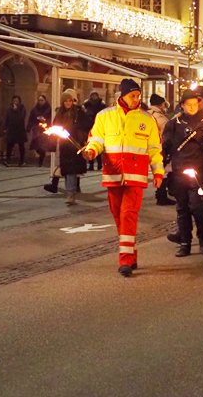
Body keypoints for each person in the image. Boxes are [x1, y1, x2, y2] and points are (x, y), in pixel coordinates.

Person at [82, 79, 164, 277]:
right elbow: (96, 140)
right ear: (123, 95)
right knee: (118, 215)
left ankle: (125, 260)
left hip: (136, 176)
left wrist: (158, 171)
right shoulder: (105, 116)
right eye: (132, 96)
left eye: (138, 96)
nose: (136, 99)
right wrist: (91, 151)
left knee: (128, 214)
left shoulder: (147, 119)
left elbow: (155, 148)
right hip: (113, 175)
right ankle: (130, 251)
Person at [161, 90, 203, 257]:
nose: (192, 107)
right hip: (179, 171)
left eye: (195, 104)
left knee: (198, 206)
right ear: (182, 105)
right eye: (189, 104)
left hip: (199, 170)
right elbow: (166, 146)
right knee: (182, 208)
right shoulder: (173, 124)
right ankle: (185, 243)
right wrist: (160, 165)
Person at [52, 91, 89, 205]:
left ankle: (71, 193)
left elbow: (86, 125)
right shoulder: (60, 113)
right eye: (66, 101)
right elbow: (55, 125)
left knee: (72, 171)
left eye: (70, 101)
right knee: (67, 170)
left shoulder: (78, 112)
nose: (68, 103)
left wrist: (78, 133)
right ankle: (71, 193)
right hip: (65, 145)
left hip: (75, 144)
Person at [149, 94, 175, 206]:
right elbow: (167, 135)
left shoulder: (147, 114)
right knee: (163, 172)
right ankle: (161, 196)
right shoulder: (161, 118)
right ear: (161, 104)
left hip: (150, 148)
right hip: (160, 148)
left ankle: (161, 194)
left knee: (159, 171)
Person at [83, 92, 106, 171]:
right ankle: (92, 164)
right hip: (90, 127)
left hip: (98, 127)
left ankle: (98, 164)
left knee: (98, 145)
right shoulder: (87, 105)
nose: (94, 97)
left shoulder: (101, 105)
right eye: (93, 95)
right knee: (91, 146)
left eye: (95, 95)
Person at [26, 95, 52, 167]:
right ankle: (41, 156)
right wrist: (29, 127)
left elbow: (51, 118)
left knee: (42, 145)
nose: (40, 102)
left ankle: (41, 160)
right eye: (39, 100)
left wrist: (45, 121)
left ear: (45, 101)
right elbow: (31, 118)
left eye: (42, 100)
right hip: (36, 129)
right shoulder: (34, 109)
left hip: (45, 129)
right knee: (36, 145)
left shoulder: (49, 109)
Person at [3, 95, 27, 166]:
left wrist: (16, 110)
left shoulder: (22, 108)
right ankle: (8, 160)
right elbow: (7, 118)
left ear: (19, 101)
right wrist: (5, 128)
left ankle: (22, 161)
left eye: (17, 101)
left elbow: (22, 117)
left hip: (20, 129)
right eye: (14, 101)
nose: (15, 102)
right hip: (11, 129)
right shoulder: (9, 109)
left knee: (21, 145)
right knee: (9, 145)